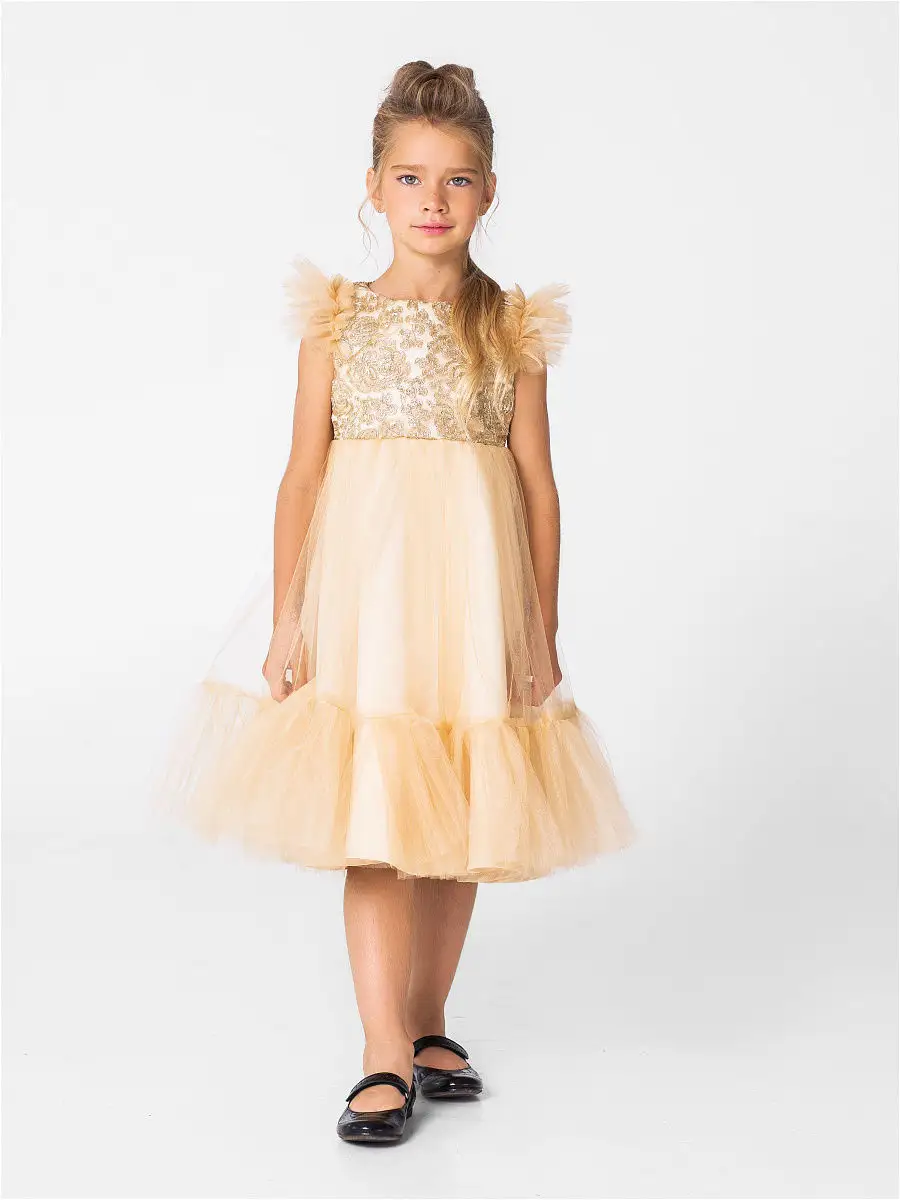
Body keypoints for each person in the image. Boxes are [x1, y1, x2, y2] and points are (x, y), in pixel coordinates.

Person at [157, 60, 636, 1146]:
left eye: (457, 180)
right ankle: (380, 1049)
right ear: (373, 188)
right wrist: (289, 620)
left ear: (489, 191)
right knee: (375, 814)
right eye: (411, 178)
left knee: (464, 810)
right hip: (367, 600)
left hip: (474, 599)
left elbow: (538, 486)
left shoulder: (509, 326)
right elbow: (303, 476)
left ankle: (425, 1020)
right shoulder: (339, 321)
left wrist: (541, 624)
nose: (433, 200)